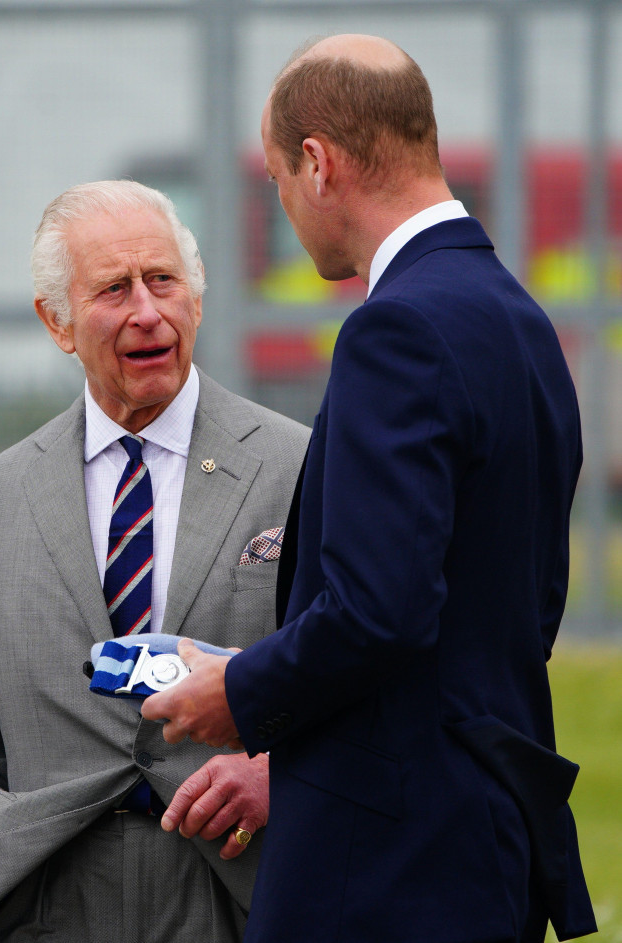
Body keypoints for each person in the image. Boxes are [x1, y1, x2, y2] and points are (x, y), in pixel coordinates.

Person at [142, 34, 597, 943]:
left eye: (276, 176)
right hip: (488, 834)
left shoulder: (397, 331)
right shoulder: (520, 319)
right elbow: (519, 607)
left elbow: (380, 611)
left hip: (389, 862)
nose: (282, 201)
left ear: (317, 163)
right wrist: (295, 761)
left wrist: (239, 690)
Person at [0, 180, 309, 943]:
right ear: (56, 322)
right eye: (113, 289)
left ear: (196, 298)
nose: (147, 311)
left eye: (163, 280)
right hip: (45, 901)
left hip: (243, 891)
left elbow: (356, 670)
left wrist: (278, 778)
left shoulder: (301, 467)